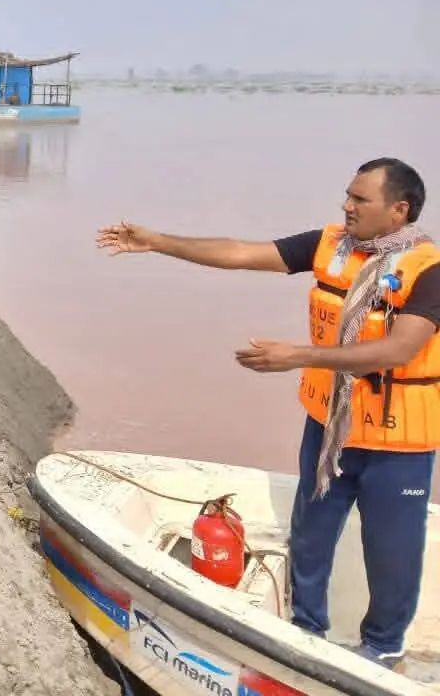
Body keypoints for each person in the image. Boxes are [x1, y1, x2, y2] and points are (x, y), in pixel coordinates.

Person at [96, 157, 440, 670]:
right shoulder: (330, 244)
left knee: (393, 552)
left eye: (359, 199)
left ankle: (383, 649)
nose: (346, 206)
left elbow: (396, 351)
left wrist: (298, 356)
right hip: (329, 429)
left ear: (399, 211)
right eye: (347, 195)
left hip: (398, 444)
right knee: (310, 532)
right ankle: (305, 633)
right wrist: (159, 242)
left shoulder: (428, 270)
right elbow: (240, 252)